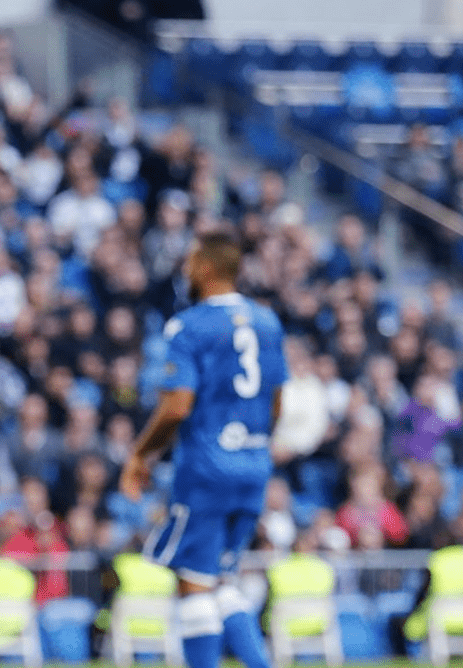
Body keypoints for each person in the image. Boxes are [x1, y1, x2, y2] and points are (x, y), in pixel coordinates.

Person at [119, 231, 288, 668]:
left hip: (207, 468)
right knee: (222, 580)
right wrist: (253, 443)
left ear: (207, 267)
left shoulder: (189, 325)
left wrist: (140, 454)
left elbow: (177, 407)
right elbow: (277, 399)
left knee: (193, 582)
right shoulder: (267, 322)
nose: (186, 269)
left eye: (192, 261)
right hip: (254, 462)